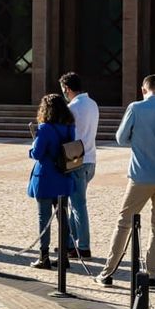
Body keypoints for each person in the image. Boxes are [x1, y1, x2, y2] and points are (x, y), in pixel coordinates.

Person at [97, 74, 155, 286]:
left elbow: (120, 138)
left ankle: (108, 272)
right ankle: (152, 274)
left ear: (143, 90)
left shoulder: (136, 108)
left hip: (140, 176)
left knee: (124, 223)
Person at [27, 94, 78, 268]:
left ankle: (44, 256)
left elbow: (37, 153)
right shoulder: (69, 126)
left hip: (46, 177)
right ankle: (64, 256)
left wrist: (33, 145)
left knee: (44, 217)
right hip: (64, 176)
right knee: (62, 217)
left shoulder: (45, 128)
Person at [60, 72, 99, 258]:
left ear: (67, 88)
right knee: (77, 202)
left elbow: (67, 134)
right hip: (91, 159)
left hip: (76, 160)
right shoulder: (92, 104)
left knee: (78, 205)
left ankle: (83, 246)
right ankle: (69, 242)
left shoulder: (73, 107)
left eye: (64, 90)